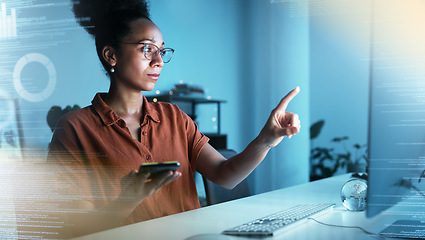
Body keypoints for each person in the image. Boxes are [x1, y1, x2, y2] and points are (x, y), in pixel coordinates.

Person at [47, 0, 301, 237]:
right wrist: (128, 199)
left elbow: (226, 174)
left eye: (162, 51)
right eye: (147, 49)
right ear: (111, 55)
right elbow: (74, 228)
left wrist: (265, 140)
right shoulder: (74, 130)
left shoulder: (174, 117)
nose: (159, 61)